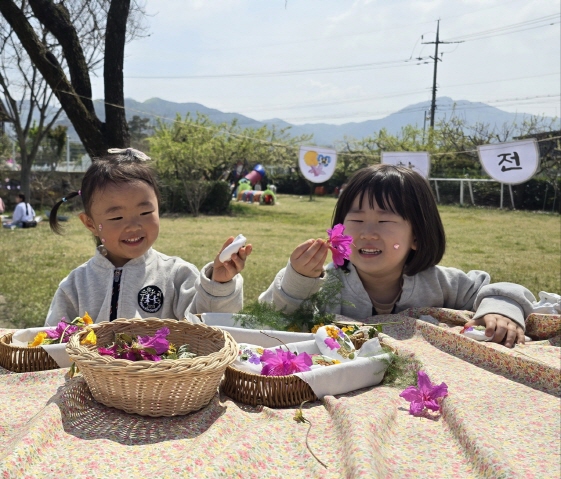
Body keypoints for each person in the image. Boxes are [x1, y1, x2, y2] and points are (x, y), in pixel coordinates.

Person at [259, 164, 535, 348]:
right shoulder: (327, 283)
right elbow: (272, 321)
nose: (367, 233)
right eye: (356, 220)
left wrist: (500, 311)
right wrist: (299, 280)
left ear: (416, 236)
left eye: (384, 222)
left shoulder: (437, 282)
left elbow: (495, 290)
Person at [45, 148, 252, 326]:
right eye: (117, 217)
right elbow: (53, 340)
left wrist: (219, 285)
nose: (134, 226)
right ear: (90, 224)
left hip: (160, 373)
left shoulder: (177, 275)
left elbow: (209, 328)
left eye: (145, 213)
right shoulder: (76, 284)